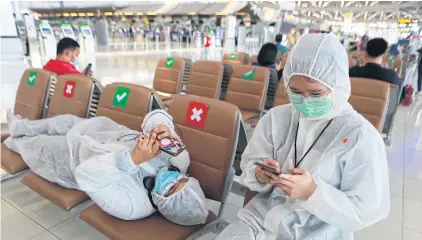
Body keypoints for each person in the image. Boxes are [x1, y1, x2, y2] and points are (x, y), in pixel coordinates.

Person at [217, 33, 390, 240]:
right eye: (296, 92)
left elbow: (365, 210)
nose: (305, 101)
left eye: (316, 94)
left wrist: (313, 193)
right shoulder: (277, 118)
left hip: (319, 231)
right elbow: (250, 165)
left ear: (337, 86)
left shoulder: (360, 136)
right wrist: (260, 174)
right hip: (260, 221)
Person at [4, 110, 208, 223]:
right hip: (102, 131)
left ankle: (13, 140)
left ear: (164, 205)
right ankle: (18, 126)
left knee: (36, 145)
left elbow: (85, 175)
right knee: (63, 121)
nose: (173, 179)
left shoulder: (132, 206)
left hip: (71, 158)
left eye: (171, 188)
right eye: (182, 180)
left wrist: (131, 160)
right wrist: (163, 126)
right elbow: (156, 115)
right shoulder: (179, 161)